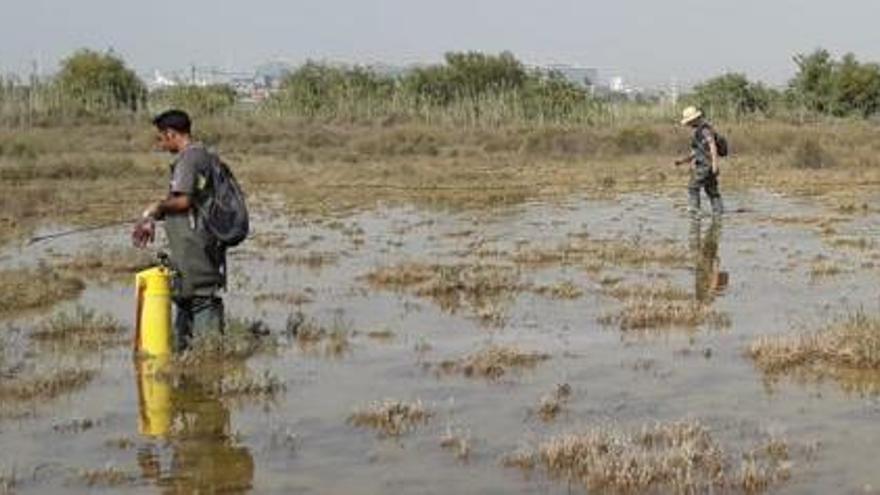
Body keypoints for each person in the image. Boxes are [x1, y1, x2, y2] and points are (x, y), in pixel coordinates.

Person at [133, 109, 225, 351]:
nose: (161, 144)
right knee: (186, 295)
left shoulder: (189, 159)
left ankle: (210, 357)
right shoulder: (204, 154)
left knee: (200, 296)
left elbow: (183, 201)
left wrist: (155, 207)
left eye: (161, 138)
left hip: (193, 243)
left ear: (171, 134)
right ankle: (184, 353)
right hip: (201, 240)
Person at [675, 107, 723, 217]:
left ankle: (694, 210)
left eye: (689, 122)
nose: (688, 124)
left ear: (694, 119)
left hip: (705, 165)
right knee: (712, 190)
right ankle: (718, 213)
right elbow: (696, 152)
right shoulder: (700, 131)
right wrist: (683, 161)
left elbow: (712, 145)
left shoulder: (704, 130)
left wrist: (715, 164)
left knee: (693, 186)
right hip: (706, 164)